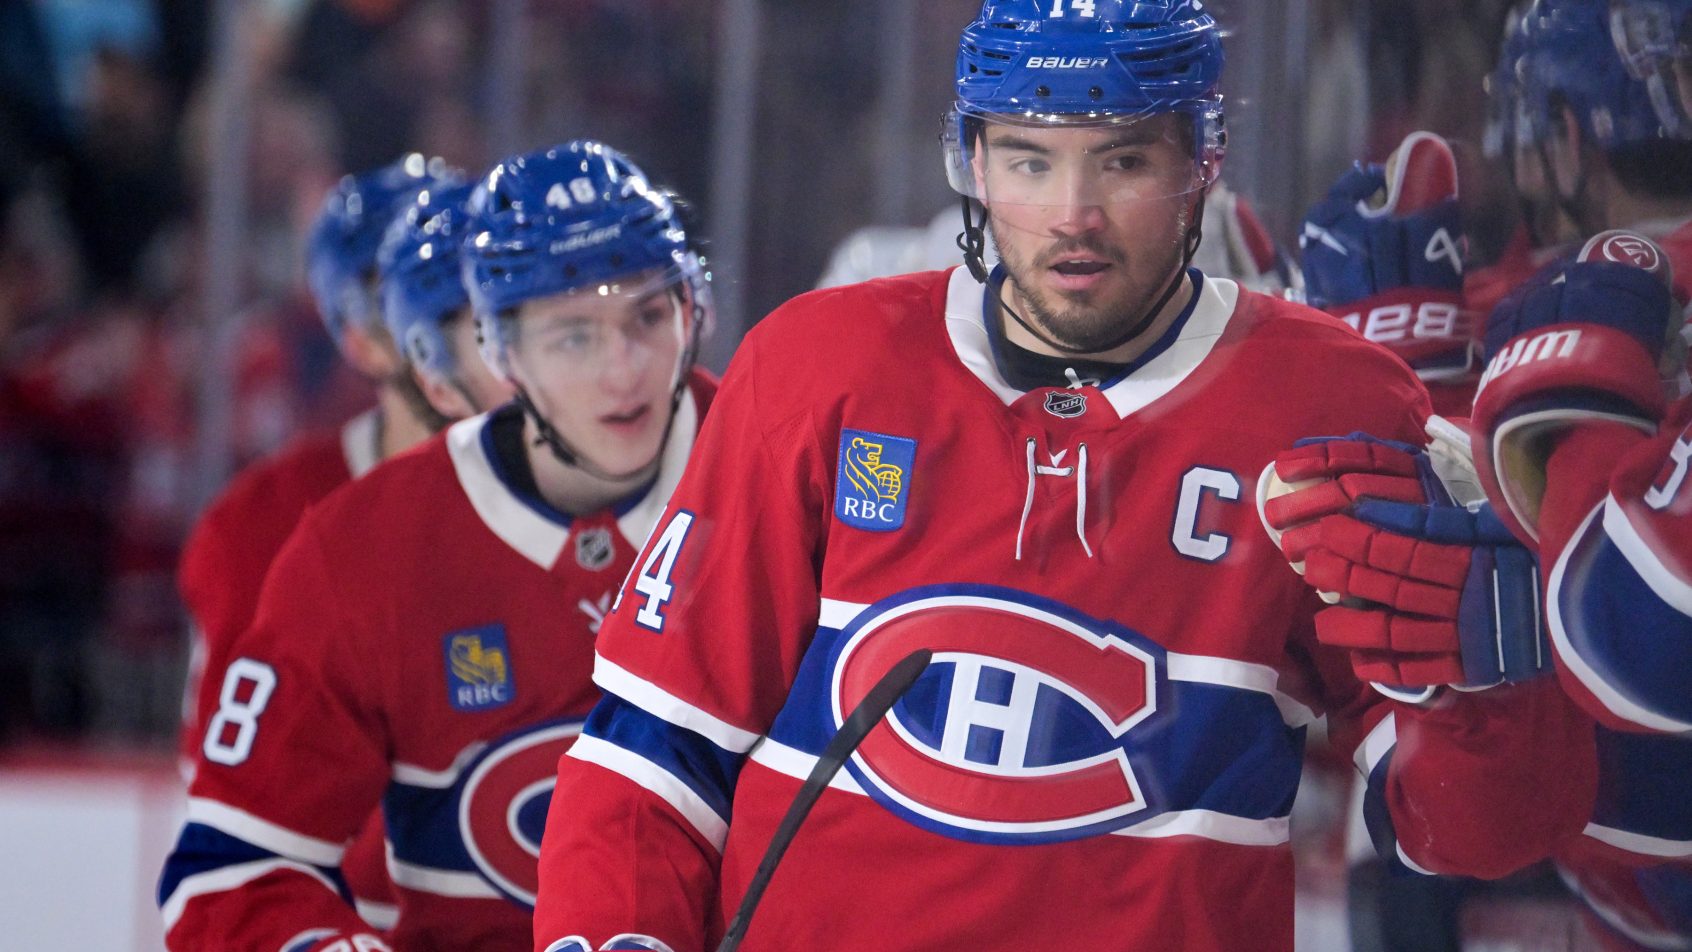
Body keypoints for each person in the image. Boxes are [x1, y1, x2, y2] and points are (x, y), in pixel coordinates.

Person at [530, 4, 1596, 951]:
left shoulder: (1330, 403)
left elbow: (1473, 835)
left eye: (1123, 161)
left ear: (1202, 163)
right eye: (1031, 160)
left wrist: (1482, 688)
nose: (1074, 214)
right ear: (973, 162)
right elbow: (652, 755)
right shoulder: (817, 367)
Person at [157, 140, 716, 952]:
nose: (623, 369)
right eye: (573, 336)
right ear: (499, 353)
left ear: (691, 309)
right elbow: (233, 869)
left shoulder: (782, 469)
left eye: (648, 316)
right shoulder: (356, 547)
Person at [1265, 2, 1692, 948]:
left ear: (1560, 137)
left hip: (1556, 863)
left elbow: (1643, 634)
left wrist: (1387, 372)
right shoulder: (1529, 305)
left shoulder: (1527, 306)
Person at [174, 154, 459, 928]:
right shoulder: (260, 525)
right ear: (357, 336)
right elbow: (237, 801)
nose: (448, 321)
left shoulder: (585, 492)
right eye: (413, 296)